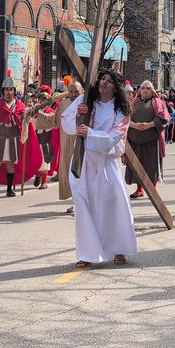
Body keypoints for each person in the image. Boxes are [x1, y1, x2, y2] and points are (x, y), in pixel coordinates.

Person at [61, 69, 137, 267]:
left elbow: (114, 136)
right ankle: (87, 254)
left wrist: (90, 133)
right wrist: (78, 116)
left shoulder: (121, 111)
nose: (104, 83)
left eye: (109, 81)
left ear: (116, 88)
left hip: (106, 163)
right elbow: (65, 121)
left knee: (114, 204)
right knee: (84, 206)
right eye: (102, 78)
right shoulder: (85, 100)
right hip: (83, 160)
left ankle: (119, 248)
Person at [0, 70, 26, 199]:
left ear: (14, 91)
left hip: (13, 137)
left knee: (10, 163)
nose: (8, 92)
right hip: (0, 137)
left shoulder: (20, 105)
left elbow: (23, 121)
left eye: (11, 89)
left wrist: (26, 116)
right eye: (6, 90)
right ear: (3, 91)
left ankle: (9, 189)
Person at [126, 81, 169, 199]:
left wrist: (149, 125)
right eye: (143, 88)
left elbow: (164, 118)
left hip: (151, 142)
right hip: (135, 140)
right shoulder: (133, 103)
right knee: (137, 167)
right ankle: (139, 190)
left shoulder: (158, 103)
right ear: (139, 90)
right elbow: (124, 118)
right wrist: (134, 125)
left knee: (151, 168)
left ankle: (152, 191)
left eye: (148, 88)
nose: (145, 90)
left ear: (152, 91)